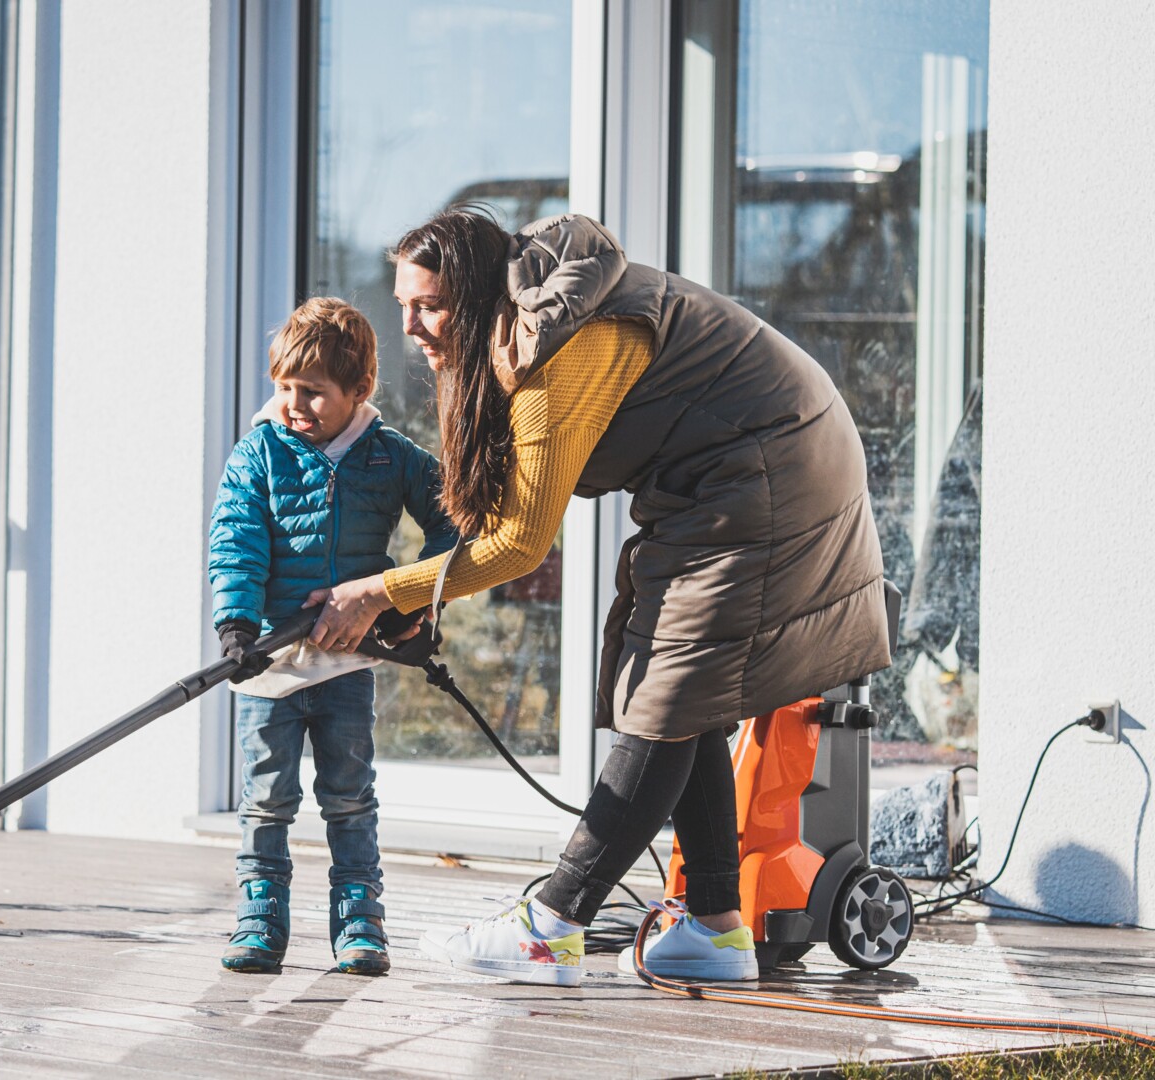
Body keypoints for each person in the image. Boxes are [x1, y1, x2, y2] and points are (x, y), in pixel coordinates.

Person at [305, 210, 890, 986]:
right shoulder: (519, 339)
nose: (409, 324)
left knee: (666, 692)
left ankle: (553, 923)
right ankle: (716, 928)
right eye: (403, 302)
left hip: (769, 470)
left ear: (479, 296)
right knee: (683, 692)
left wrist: (380, 592)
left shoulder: (557, 349)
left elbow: (520, 543)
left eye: (429, 306)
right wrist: (418, 596)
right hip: (724, 480)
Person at [209, 297, 458, 975]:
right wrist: (235, 623)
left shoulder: (388, 457)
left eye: (313, 393)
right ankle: (260, 918)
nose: (295, 404)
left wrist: (412, 603)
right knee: (267, 797)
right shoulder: (259, 452)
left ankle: (359, 922)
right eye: (285, 388)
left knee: (350, 796)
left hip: (348, 663)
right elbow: (236, 541)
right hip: (271, 661)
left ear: (359, 390)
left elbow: (451, 521)